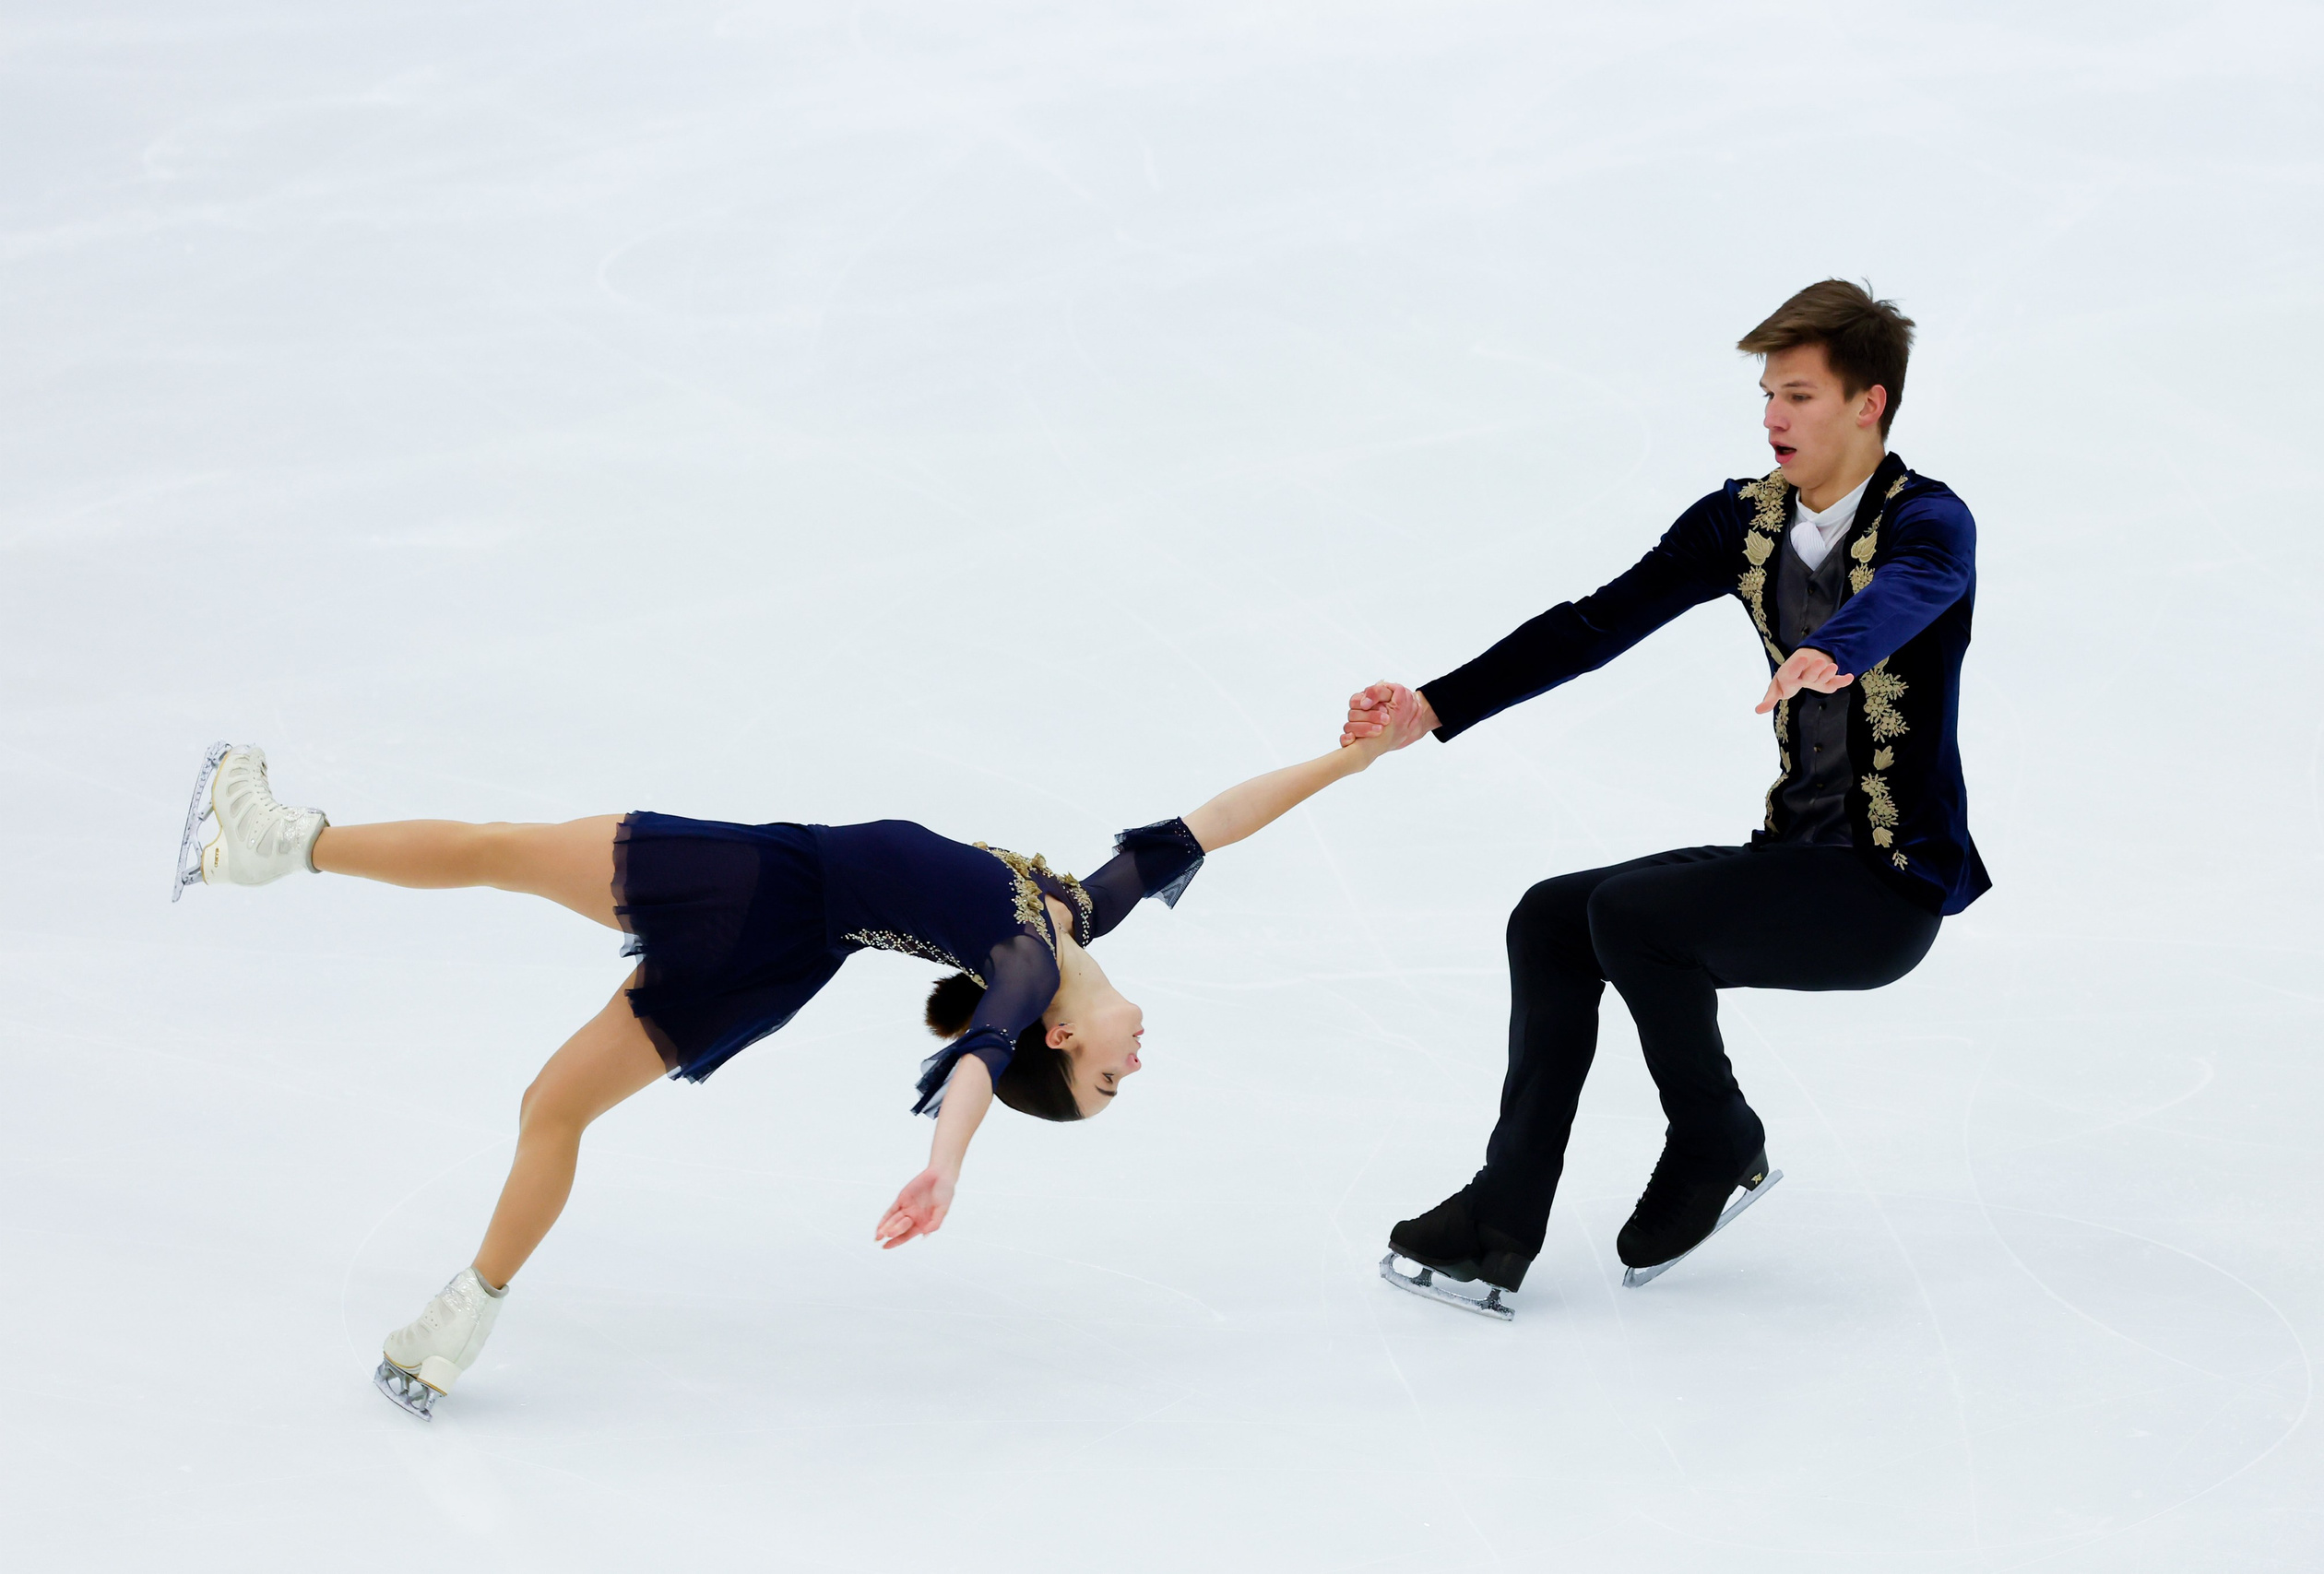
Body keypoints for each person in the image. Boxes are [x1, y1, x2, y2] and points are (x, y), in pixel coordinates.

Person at [169, 709, 1408, 1416]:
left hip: (762, 883)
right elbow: (1212, 823)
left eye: (1103, 1081)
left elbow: (978, 1060)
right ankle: (460, 1317)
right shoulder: (1075, 911)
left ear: (1063, 1036)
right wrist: (1352, 759)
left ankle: (287, 842)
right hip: (775, 956)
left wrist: (943, 1164)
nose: (1136, 1067)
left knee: (503, 849)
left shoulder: (1024, 965)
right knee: (554, 1105)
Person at [1342, 279, 1989, 1313]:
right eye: (1769, 395)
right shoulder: (1744, 523)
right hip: (1789, 860)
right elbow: (1593, 626)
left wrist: (1835, 646)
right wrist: (1434, 704)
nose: (1775, 417)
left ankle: (1715, 1139)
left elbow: (1916, 592)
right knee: (1554, 917)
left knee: (1632, 915)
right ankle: (1501, 1216)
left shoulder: (1929, 522)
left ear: (1869, 403)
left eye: (1802, 395)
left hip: (1881, 890)